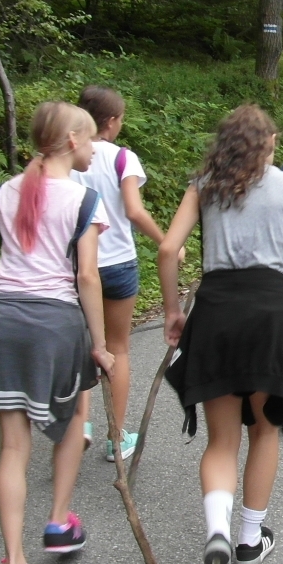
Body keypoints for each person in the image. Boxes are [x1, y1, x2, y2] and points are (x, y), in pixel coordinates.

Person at [0, 102, 114, 564]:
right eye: (90, 141)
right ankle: (59, 521)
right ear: (76, 142)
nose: (94, 150)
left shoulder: (3, 192)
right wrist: (100, 347)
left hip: (2, 322)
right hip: (55, 324)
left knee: (12, 448)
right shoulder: (84, 200)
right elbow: (86, 277)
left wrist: (6, 279)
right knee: (73, 414)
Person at [158, 105, 283, 564]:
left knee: (221, 440)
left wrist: (173, 311)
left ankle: (217, 532)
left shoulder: (203, 185)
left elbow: (168, 251)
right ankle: (249, 542)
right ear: (271, 141)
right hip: (271, 310)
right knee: (266, 428)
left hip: (215, 312)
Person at [72, 85, 172, 463]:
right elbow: (134, 210)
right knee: (118, 348)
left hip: (76, 267)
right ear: (111, 121)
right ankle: (117, 437)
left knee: (81, 346)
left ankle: (80, 424)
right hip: (117, 264)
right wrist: (169, 241)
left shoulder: (65, 155)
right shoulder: (121, 158)